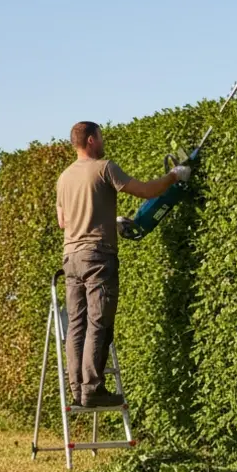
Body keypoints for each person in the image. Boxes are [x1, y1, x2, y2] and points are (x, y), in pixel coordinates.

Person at [55, 121, 190, 407]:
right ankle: (93, 389)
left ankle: (77, 391)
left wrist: (102, 217)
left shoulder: (64, 178)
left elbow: (63, 221)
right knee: (98, 322)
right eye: (100, 136)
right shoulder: (105, 167)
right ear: (91, 140)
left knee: (76, 325)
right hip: (98, 256)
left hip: (70, 257)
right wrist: (173, 176)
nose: (103, 141)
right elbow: (145, 191)